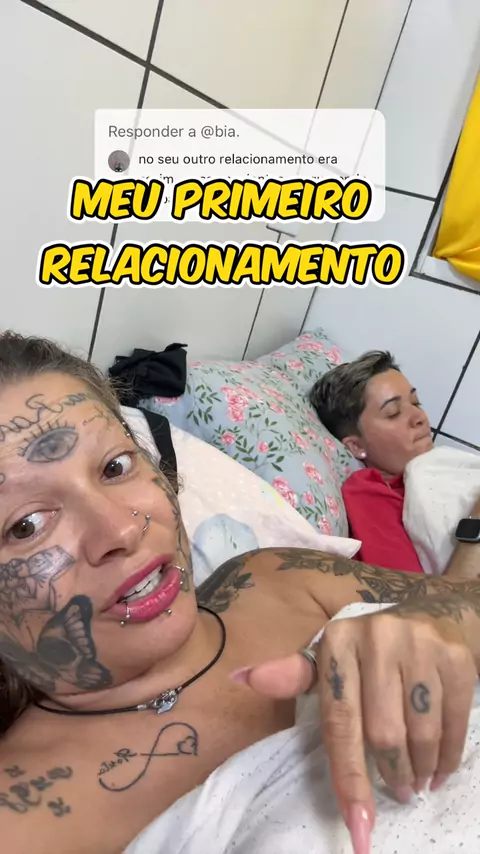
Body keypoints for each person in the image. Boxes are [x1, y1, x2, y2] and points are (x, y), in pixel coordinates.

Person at [0, 332, 479, 854]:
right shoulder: (22, 821)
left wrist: (447, 618)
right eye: (26, 525)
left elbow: (461, 600)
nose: (121, 529)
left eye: (116, 466)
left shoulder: (277, 577)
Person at [309, 351, 436, 573]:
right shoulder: (369, 494)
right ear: (356, 446)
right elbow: (416, 590)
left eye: (416, 403)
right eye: (393, 413)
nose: (420, 417)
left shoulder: (439, 472)